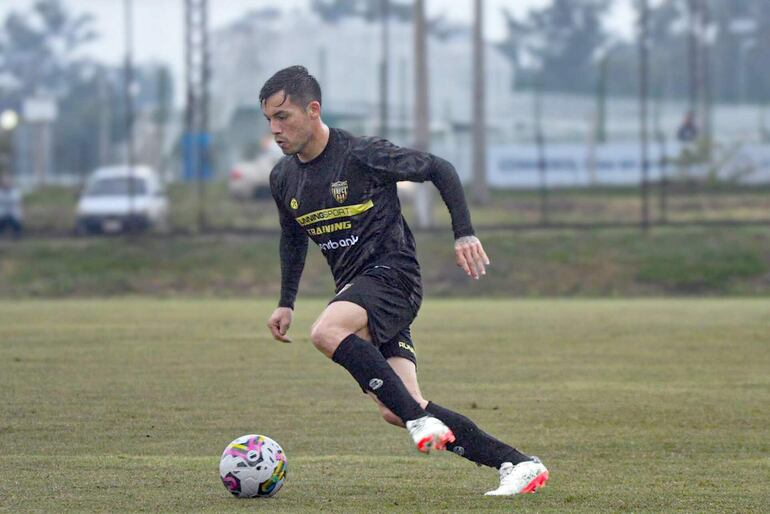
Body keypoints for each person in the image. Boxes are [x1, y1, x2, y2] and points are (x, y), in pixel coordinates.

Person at [263, 65, 548, 496]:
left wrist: (464, 233)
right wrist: (286, 301)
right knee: (399, 407)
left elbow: (440, 168)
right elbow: (291, 237)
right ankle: (518, 463)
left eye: (282, 116)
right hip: (358, 291)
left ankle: (420, 422)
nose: (275, 129)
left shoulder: (360, 154)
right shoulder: (283, 177)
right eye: (269, 119)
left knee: (325, 332)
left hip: (394, 276)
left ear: (313, 110)